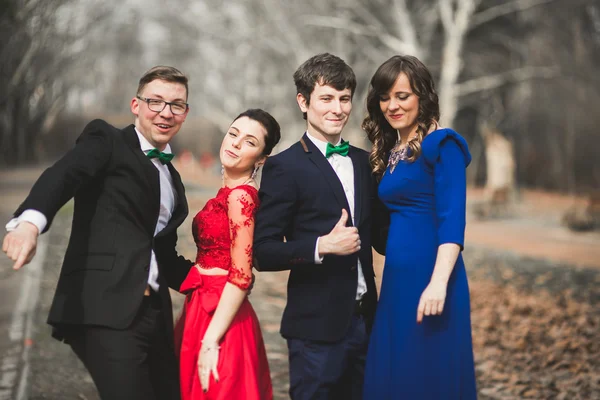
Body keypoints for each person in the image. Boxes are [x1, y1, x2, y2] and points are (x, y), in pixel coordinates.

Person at [2, 66, 194, 400]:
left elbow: (161, 253)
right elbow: (64, 174)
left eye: (176, 105)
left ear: (185, 113)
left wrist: (212, 281)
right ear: (136, 105)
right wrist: (30, 223)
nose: (166, 112)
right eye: (156, 102)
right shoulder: (107, 140)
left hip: (155, 314)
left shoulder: (172, 178)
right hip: (104, 309)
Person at [253, 53, 385, 400]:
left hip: (367, 324)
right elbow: (263, 252)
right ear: (303, 101)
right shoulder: (284, 167)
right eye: (326, 98)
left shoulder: (364, 162)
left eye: (344, 99)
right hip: (315, 331)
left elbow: (383, 238)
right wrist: (321, 246)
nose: (337, 108)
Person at [361, 55, 477, 399]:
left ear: (422, 97)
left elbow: (453, 222)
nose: (392, 105)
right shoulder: (392, 148)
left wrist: (438, 283)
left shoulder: (443, 144)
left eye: (402, 96)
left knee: (427, 377)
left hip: (432, 279)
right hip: (397, 281)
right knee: (397, 374)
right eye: (385, 97)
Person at [170, 108, 280, 400]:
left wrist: (210, 341)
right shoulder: (228, 192)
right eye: (233, 134)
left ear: (261, 158)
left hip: (221, 314)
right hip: (200, 305)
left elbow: (242, 275)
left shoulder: (240, 196)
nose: (235, 143)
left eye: (249, 141)